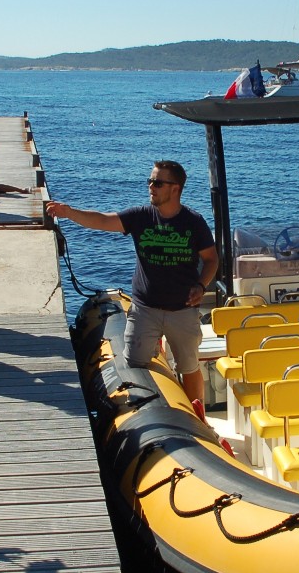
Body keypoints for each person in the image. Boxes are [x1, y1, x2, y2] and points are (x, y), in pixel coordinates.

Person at [46, 161, 219, 419]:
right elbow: (104, 220)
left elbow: (212, 259)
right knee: (135, 363)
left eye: (157, 182)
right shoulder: (141, 216)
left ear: (175, 189)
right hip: (144, 309)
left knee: (189, 366)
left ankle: (199, 419)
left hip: (182, 310)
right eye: (150, 181)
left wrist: (201, 284)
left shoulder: (193, 222)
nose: (151, 186)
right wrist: (69, 212)